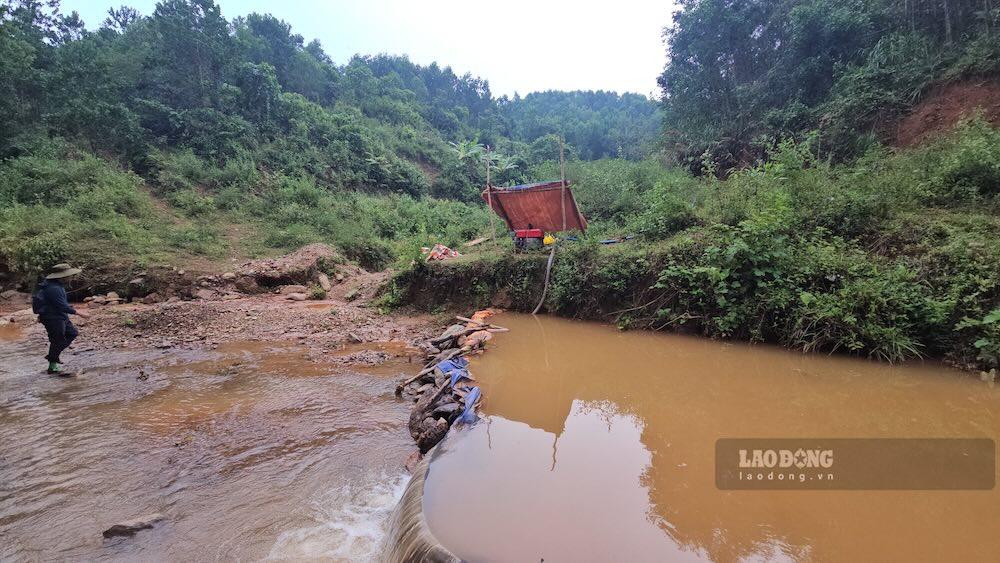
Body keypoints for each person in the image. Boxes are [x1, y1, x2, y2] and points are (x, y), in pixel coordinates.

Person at [32, 263, 90, 375]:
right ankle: (52, 365)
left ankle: (52, 357)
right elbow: (62, 306)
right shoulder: (54, 288)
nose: (71, 277)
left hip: (59, 315)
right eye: (69, 276)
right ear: (62, 276)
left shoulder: (52, 285)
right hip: (53, 317)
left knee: (72, 333)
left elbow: (50, 302)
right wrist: (80, 313)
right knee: (57, 340)